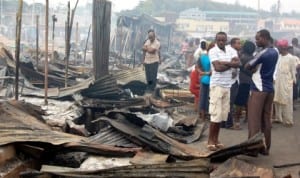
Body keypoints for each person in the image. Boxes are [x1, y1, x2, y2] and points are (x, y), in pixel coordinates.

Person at [245, 29, 278, 156]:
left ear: (264, 38)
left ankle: (252, 149)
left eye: (258, 38)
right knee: (266, 120)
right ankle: (265, 148)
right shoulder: (275, 51)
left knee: (254, 120)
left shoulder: (263, 53)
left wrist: (252, 68)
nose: (256, 41)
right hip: (269, 88)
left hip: (258, 88)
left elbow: (248, 66)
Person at [207, 32, 240, 151]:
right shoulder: (213, 51)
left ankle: (216, 140)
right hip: (217, 86)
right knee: (215, 115)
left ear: (226, 40)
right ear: (216, 40)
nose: (221, 42)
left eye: (223, 40)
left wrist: (226, 63)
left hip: (228, 85)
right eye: (219, 40)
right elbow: (217, 68)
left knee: (222, 116)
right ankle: (210, 140)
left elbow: (238, 64)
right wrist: (231, 64)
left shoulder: (231, 50)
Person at [273, 39, 298, 127]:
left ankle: (288, 121)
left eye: (278, 47)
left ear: (283, 47)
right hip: (277, 81)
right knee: (277, 100)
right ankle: (278, 118)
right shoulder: (278, 56)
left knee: (287, 101)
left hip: (286, 81)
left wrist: (293, 81)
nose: (277, 48)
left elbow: (293, 71)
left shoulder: (291, 58)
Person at [234, 41, 256, 129]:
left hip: (242, 81)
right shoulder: (253, 58)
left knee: (239, 102)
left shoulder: (242, 57)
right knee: (247, 101)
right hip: (250, 81)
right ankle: (247, 118)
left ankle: (236, 120)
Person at [222, 37, 242, 129]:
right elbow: (234, 64)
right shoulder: (232, 51)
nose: (240, 45)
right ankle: (229, 124)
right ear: (233, 44)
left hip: (229, 80)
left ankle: (223, 123)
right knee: (229, 102)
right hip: (231, 81)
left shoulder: (229, 50)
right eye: (238, 43)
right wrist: (233, 71)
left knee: (226, 102)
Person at [198, 41, 214, 121]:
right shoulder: (213, 58)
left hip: (204, 79)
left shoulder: (202, 57)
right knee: (210, 98)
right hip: (212, 80)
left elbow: (198, 68)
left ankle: (203, 115)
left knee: (203, 97)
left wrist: (202, 73)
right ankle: (208, 115)